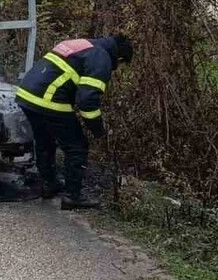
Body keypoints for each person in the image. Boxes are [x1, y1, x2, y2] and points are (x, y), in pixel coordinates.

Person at [15, 35, 133, 210]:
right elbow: (87, 100)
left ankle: (49, 184)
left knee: (45, 141)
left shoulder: (81, 44)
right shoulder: (101, 58)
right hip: (49, 100)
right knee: (77, 146)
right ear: (120, 57)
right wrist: (99, 131)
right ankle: (72, 196)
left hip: (26, 95)